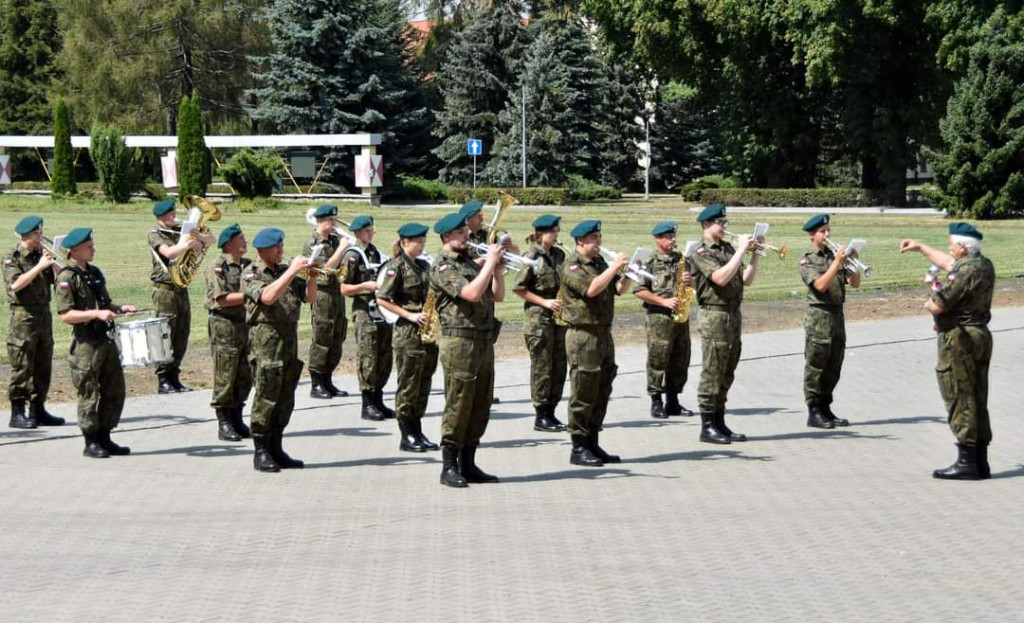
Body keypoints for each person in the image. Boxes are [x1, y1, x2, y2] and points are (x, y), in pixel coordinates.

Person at [900, 222, 995, 480]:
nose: (949, 248)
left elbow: (938, 305)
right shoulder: (983, 265)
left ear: (962, 248)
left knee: (958, 395)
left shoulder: (962, 272)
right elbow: (948, 263)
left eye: (952, 244)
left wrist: (931, 297)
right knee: (977, 395)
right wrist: (920, 247)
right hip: (980, 335)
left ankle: (966, 462)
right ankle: (980, 461)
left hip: (959, 339)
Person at [429, 212, 506, 487]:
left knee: (480, 403)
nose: (468, 236)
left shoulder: (470, 263)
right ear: (447, 236)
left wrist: (496, 269)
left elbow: (497, 295)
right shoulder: (443, 266)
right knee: (459, 403)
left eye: (466, 231)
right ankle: (449, 465)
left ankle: (469, 463)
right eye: (461, 233)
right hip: (459, 342)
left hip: (483, 339)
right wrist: (489, 264)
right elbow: (471, 294)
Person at [55, 228, 137, 458]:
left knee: (114, 389)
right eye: (89, 247)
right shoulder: (66, 277)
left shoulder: (94, 272)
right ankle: (90, 441)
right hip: (86, 343)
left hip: (105, 340)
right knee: (89, 392)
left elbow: (105, 303)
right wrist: (95, 314)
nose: (94, 249)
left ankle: (105, 436)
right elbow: (66, 315)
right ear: (75, 250)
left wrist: (120, 309)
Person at [559, 219, 633, 467]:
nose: (599, 243)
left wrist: (628, 274)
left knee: (602, 388)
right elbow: (590, 289)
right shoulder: (571, 265)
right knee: (584, 389)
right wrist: (614, 268)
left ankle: (593, 440)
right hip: (582, 334)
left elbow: (617, 290)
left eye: (599, 237)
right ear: (580, 241)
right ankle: (578, 447)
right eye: (594, 239)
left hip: (603, 332)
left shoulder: (600, 263)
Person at [243, 228, 316, 472]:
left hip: (288, 342)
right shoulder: (252, 273)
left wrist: (312, 276)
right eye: (276, 247)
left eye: (281, 246)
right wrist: (294, 270)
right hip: (266, 343)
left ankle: (277, 446)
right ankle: (261, 450)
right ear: (262, 251)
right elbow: (267, 297)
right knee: (266, 396)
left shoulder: (285, 270)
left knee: (286, 397)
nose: (281, 251)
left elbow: (309, 298)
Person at [688, 204, 759, 444]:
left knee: (728, 369)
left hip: (733, 314)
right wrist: (740, 250)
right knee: (713, 371)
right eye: (721, 223)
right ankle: (707, 426)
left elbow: (745, 280)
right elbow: (719, 278)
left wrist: (754, 254)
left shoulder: (728, 248)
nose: (724, 227)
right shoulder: (700, 251)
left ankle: (719, 421)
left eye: (725, 222)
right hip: (714, 314)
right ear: (706, 224)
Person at [376, 223, 440, 453]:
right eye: (418, 242)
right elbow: (382, 298)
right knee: (409, 385)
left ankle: (417, 429)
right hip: (408, 333)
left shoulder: (424, 266)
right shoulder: (397, 267)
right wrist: (410, 315)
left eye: (423, 242)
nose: (422, 246)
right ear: (405, 242)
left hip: (426, 333)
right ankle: (407, 434)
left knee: (424, 383)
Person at [798, 214, 861, 429]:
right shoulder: (808, 260)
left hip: (837, 314)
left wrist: (852, 262)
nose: (827, 234)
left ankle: (826, 406)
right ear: (812, 235)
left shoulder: (834, 257)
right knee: (817, 365)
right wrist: (837, 262)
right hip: (819, 316)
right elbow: (821, 285)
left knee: (834, 364)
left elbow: (855, 283)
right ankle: (813, 410)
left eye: (828, 230)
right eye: (823, 231)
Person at [4, 215, 64, 429]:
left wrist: (54, 262)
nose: (41, 237)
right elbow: (15, 285)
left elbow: (61, 278)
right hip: (23, 317)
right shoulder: (13, 257)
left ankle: (38, 409)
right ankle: (17, 412)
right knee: (23, 366)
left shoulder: (41, 255)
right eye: (37, 234)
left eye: (41, 233)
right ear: (26, 236)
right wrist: (39, 266)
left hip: (43, 315)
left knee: (43, 363)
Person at [148, 199, 214, 393]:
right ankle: (163, 378)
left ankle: (175, 376)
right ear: (160, 216)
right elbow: (168, 252)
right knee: (165, 333)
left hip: (181, 289)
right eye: (170, 214)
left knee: (182, 333)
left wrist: (199, 235)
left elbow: (212, 240)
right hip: (164, 290)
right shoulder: (155, 233)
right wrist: (188, 244)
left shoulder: (181, 230)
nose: (174, 216)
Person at [511, 214, 568, 432]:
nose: (556, 235)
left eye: (556, 231)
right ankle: (541, 414)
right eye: (552, 231)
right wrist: (544, 302)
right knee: (542, 366)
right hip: (538, 319)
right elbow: (519, 288)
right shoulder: (531, 257)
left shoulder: (560, 255)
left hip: (557, 317)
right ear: (541, 234)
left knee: (559, 364)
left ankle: (552, 411)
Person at [633, 221, 695, 419]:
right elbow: (639, 290)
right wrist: (663, 301)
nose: (672, 240)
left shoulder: (682, 259)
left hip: (680, 317)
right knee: (658, 358)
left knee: (680, 358)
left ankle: (673, 401)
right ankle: (656, 401)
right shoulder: (649, 261)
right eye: (667, 237)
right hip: (659, 318)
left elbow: (695, 284)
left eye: (673, 236)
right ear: (657, 239)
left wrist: (690, 281)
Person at [340, 215, 394, 421]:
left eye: (372, 230)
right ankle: (367, 403)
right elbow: (343, 288)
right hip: (364, 311)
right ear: (357, 233)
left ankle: (379, 400)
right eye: (367, 231)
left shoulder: (376, 253)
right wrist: (365, 286)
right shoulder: (352, 256)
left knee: (384, 356)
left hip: (382, 311)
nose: (371, 234)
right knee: (368, 357)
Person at [204, 223, 254, 442]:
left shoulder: (249, 265)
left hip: (245, 324)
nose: (245, 241)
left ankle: (237, 416)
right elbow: (222, 299)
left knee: (245, 373)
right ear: (228, 244)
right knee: (226, 373)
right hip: (224, 324)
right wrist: (254, 295)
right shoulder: (218, 266)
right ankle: (224, 421)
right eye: (240, 238)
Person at [303, 204, 351, 399]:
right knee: (323, 336)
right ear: (320, 221)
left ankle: (328, 380)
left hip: (336, 292)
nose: (333, 224)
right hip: (322, 293)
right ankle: (316, 383)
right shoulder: (313, 243)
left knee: (337, 337)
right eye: (330, 221)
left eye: (334, 220)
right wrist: (341, 248)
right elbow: (322, 271)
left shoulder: (334, 240)